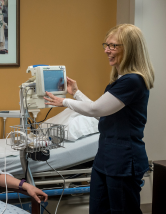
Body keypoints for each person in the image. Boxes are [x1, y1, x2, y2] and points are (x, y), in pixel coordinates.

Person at [44, 24, 154, 213]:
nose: (106, 50)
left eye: (113, 46)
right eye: (106, 45)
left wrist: (64, 102)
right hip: (105, 157)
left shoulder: (133, 81)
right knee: (98, 209)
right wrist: (76, 93)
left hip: (123, 159)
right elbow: (101, 111)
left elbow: (96, 109)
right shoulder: (121, 80)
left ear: (129, 48)